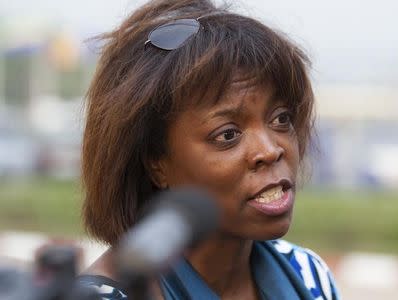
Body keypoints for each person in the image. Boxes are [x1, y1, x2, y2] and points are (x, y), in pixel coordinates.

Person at [77, 0, 340, 299]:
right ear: (155, 164)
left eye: (281, 119)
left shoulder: (307, 275)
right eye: (228, 134)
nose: (270, 150)